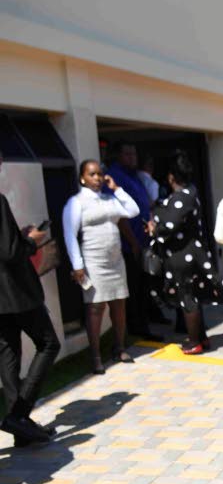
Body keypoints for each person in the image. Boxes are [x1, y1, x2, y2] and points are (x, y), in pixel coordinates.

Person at [0, 154, 60, 445]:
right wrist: (31, 239)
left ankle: (21, 429)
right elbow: (10, 252)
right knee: (49, 343)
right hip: (15, 293)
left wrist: (19, 237)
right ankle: (18, 415)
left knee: (9, 354)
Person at [62, 160, 141, 374]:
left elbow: (133, 211)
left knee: (119, 304)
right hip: (93, 261)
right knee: (95, 308)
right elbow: (70, 235)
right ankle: (96, 356)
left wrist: (117, 189)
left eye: (99, 174)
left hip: (115, 261)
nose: (97, 178)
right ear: (82, 178)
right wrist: (77, 265)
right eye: (92, 174)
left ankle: (119, 347)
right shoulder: (76, 202)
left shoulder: (109, 198)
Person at [149, 151, 223, 355]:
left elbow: (168, 226)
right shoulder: (191, 192)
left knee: (187, 297)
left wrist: (154, 229)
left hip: (182, 255)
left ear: (171, 177)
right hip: (190, 253)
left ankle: (194, 341)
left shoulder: (181, 197)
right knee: (193, 296)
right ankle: (201, 338)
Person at [105, 142, 154, 337]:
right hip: (128, 245)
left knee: (144, 287)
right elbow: (119, 216)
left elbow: (145, 203)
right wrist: (133, 242)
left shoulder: (135, 176)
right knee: (134, 289)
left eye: (134, 153)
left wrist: (150, 220)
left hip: (143, 241)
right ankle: (137, 330)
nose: (132, 158)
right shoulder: (114, 177)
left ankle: (146, 322)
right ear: (118, 156)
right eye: (127, 154)